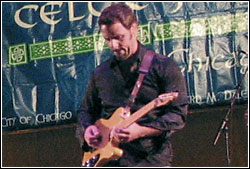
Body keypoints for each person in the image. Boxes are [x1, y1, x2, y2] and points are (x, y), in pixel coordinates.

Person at [76, 3, 188, 167]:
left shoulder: (163, 66)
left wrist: (141, 130)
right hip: (109, 161)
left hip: (150, 159)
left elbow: (178, 115)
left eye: (118, 37)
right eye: (108, 39)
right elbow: (86, 110)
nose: (113, 45)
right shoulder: (100, 73)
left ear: (134, 29)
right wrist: (87, 131)